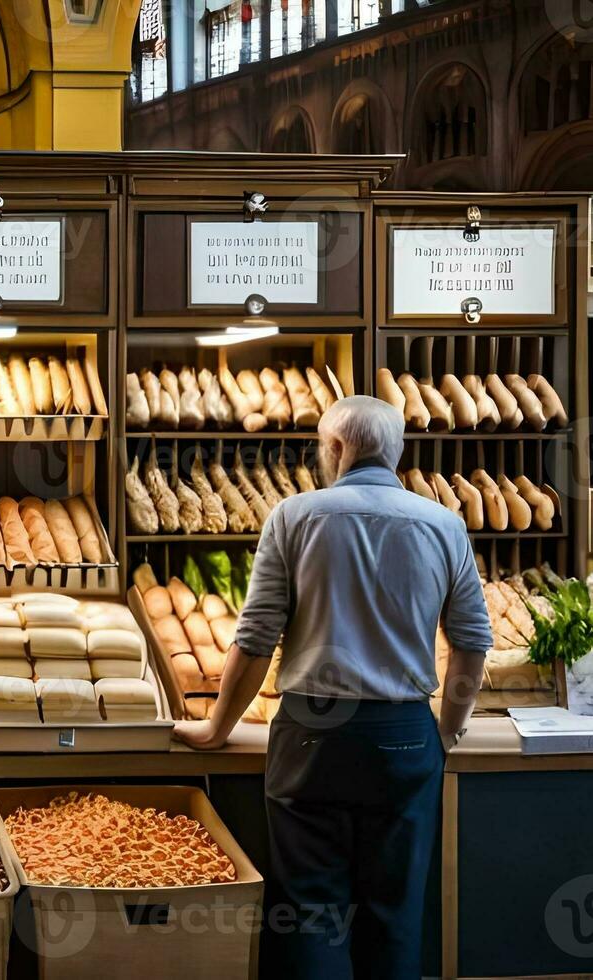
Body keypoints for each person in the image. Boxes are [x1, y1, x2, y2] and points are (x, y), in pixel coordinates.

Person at [174, 395, 492, 980]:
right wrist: (445, 729)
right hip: (404, 735)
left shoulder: (294, 516)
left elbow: (256, 637)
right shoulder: (445, 525)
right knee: (394, 914)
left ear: (337, 448)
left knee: (309, 913)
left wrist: (217, 727)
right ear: (396, 452)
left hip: (311, 736)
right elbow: (472, 640)